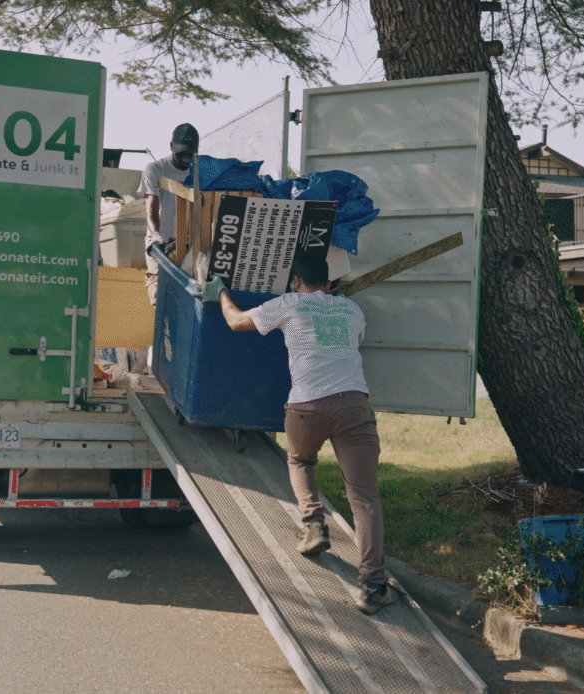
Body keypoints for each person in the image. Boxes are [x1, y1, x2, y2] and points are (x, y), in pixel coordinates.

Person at [203, 257, 398, 615]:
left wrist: (221, 293)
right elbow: (355, 340)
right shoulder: (351, 309)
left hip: (307, 406)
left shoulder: (289, 303)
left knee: (300, 460)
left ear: (296, 281)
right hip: (353, 406)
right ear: (330, 284)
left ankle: (314, 526)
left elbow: (235, 321)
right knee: (364, 498)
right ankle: (374, 585)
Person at [138, 123, 199, 306]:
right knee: (159, 295)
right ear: (171, 147)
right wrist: (156, 235)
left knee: (186, 299)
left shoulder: (199, 171)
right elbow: (151, 209)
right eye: (181, 153)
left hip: (186, 245)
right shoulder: (156, 169)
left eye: (189, 154)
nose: (185, 158)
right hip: (160, 244)